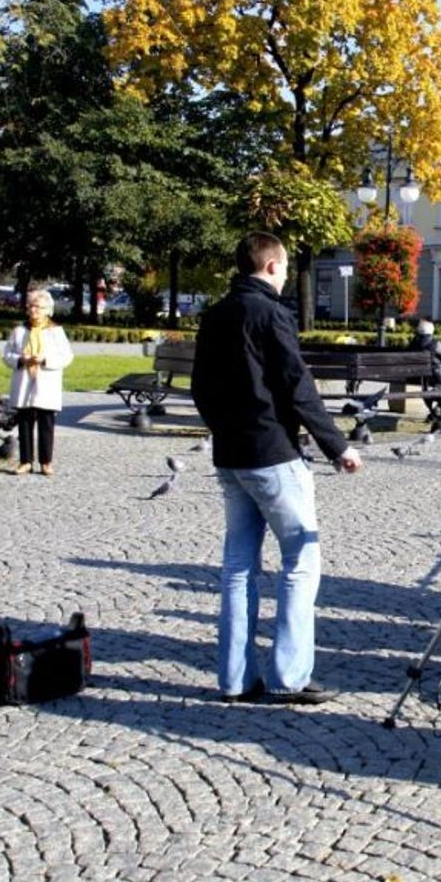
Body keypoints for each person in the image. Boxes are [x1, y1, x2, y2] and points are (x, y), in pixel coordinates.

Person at [192, 232, 363, 705]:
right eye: (285, 268)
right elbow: (296, 384)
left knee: (237, 569)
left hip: (230, 455)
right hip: (273, 454)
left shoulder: (217, 313)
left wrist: (224, 430)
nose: (286, 275)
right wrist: (337, 447)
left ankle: (235, 679)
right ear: (271, 266)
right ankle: (289, 675)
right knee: (300, 561)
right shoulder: (271, 312)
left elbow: (200, 387)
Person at [3, 289, 74, 477]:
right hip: (25, 380)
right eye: (31, 306)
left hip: (46, 382)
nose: (33, 310)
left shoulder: (56, 331)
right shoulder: (19, 331)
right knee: (25, 422)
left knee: (46, 424)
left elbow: (66, 356)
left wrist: (45, 359)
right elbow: (7, 355)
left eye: (38, 307)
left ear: (47, 310)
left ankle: (46, 462)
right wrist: (21, 359)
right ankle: (25, 461)